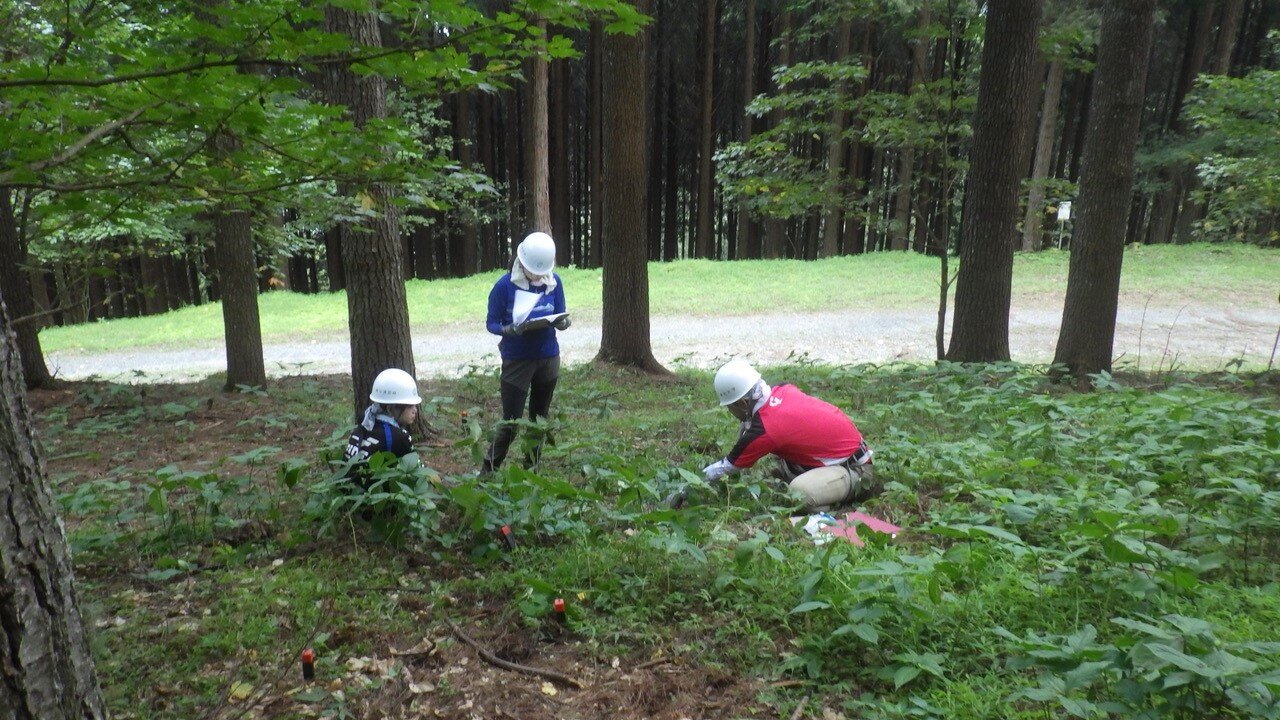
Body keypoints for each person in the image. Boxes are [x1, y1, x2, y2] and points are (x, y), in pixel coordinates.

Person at [699, 359, 878, 511]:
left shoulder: (767, 428)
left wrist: (690, 485)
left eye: (730, 407)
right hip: (847, 455)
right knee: (778, 473)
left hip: (857, 471)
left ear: (743, 403)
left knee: (798, 493)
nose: (730, 411)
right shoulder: (782, 390)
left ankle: (830, 508)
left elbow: (728, 465)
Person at [483, 231, 571, 473]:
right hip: (517, 361)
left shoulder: (555, 283)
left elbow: (561, 312)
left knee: (538, 421)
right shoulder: (504, 286)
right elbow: (491, 324)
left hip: (548, 357)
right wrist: (508, 329)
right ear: (521, 262)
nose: (538, 276)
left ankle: (531, 469)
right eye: (533, 271)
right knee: (511, 423)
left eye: (542, 272)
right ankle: (488, 472)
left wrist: (563, 322)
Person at [343, 368, 422, 480]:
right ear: (391, 409)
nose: (415, 410)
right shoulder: (398, 436)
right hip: (375, 492)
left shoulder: (365, 421)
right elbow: (418, 471)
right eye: (409, 406)